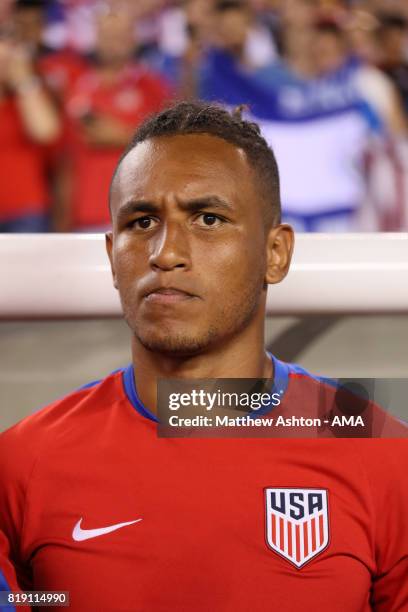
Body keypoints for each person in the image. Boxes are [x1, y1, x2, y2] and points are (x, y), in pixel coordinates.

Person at [0, 101, 407, 611]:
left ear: (275, 253)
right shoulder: (22, 464)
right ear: (111, 255)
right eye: (142, 221)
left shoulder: (381, 453)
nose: (166, 252)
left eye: (208, 219)